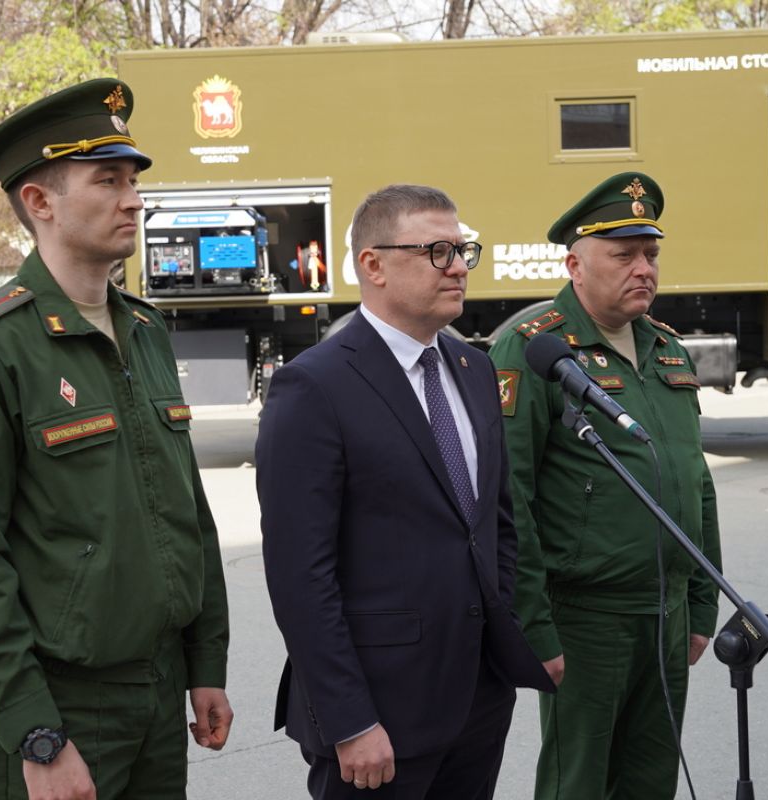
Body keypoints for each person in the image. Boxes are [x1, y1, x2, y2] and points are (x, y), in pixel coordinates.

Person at [0, 78, 232, 800]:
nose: (134, 199)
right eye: (108, 180)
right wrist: (35, 732)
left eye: (134, 180)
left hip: (160, 691)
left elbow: (187, 515)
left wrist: (204, 661)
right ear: (40, 201)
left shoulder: (144, 332)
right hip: (62, 707)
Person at [256, 184, 554, 799]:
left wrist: (509, 640)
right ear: (373, 265)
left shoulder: (473, 371)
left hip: (477, 699)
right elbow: (300, 577)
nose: (458, 267)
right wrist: (350, 720)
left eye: (464, 250)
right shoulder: (313, 387)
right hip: (378, 714)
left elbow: (494, 525)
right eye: (437, 251)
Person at [488, 172, 723, 800]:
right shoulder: (533, 348)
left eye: (650, 254)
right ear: (575, 264)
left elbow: (695, 483)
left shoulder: (668, 349)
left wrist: (702, 602)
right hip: (585, 618)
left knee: (651, 781)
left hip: (667, 612)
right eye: (623, 255)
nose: (643, 268)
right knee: (579, 784)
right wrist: (532, 626)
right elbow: (510, 499)